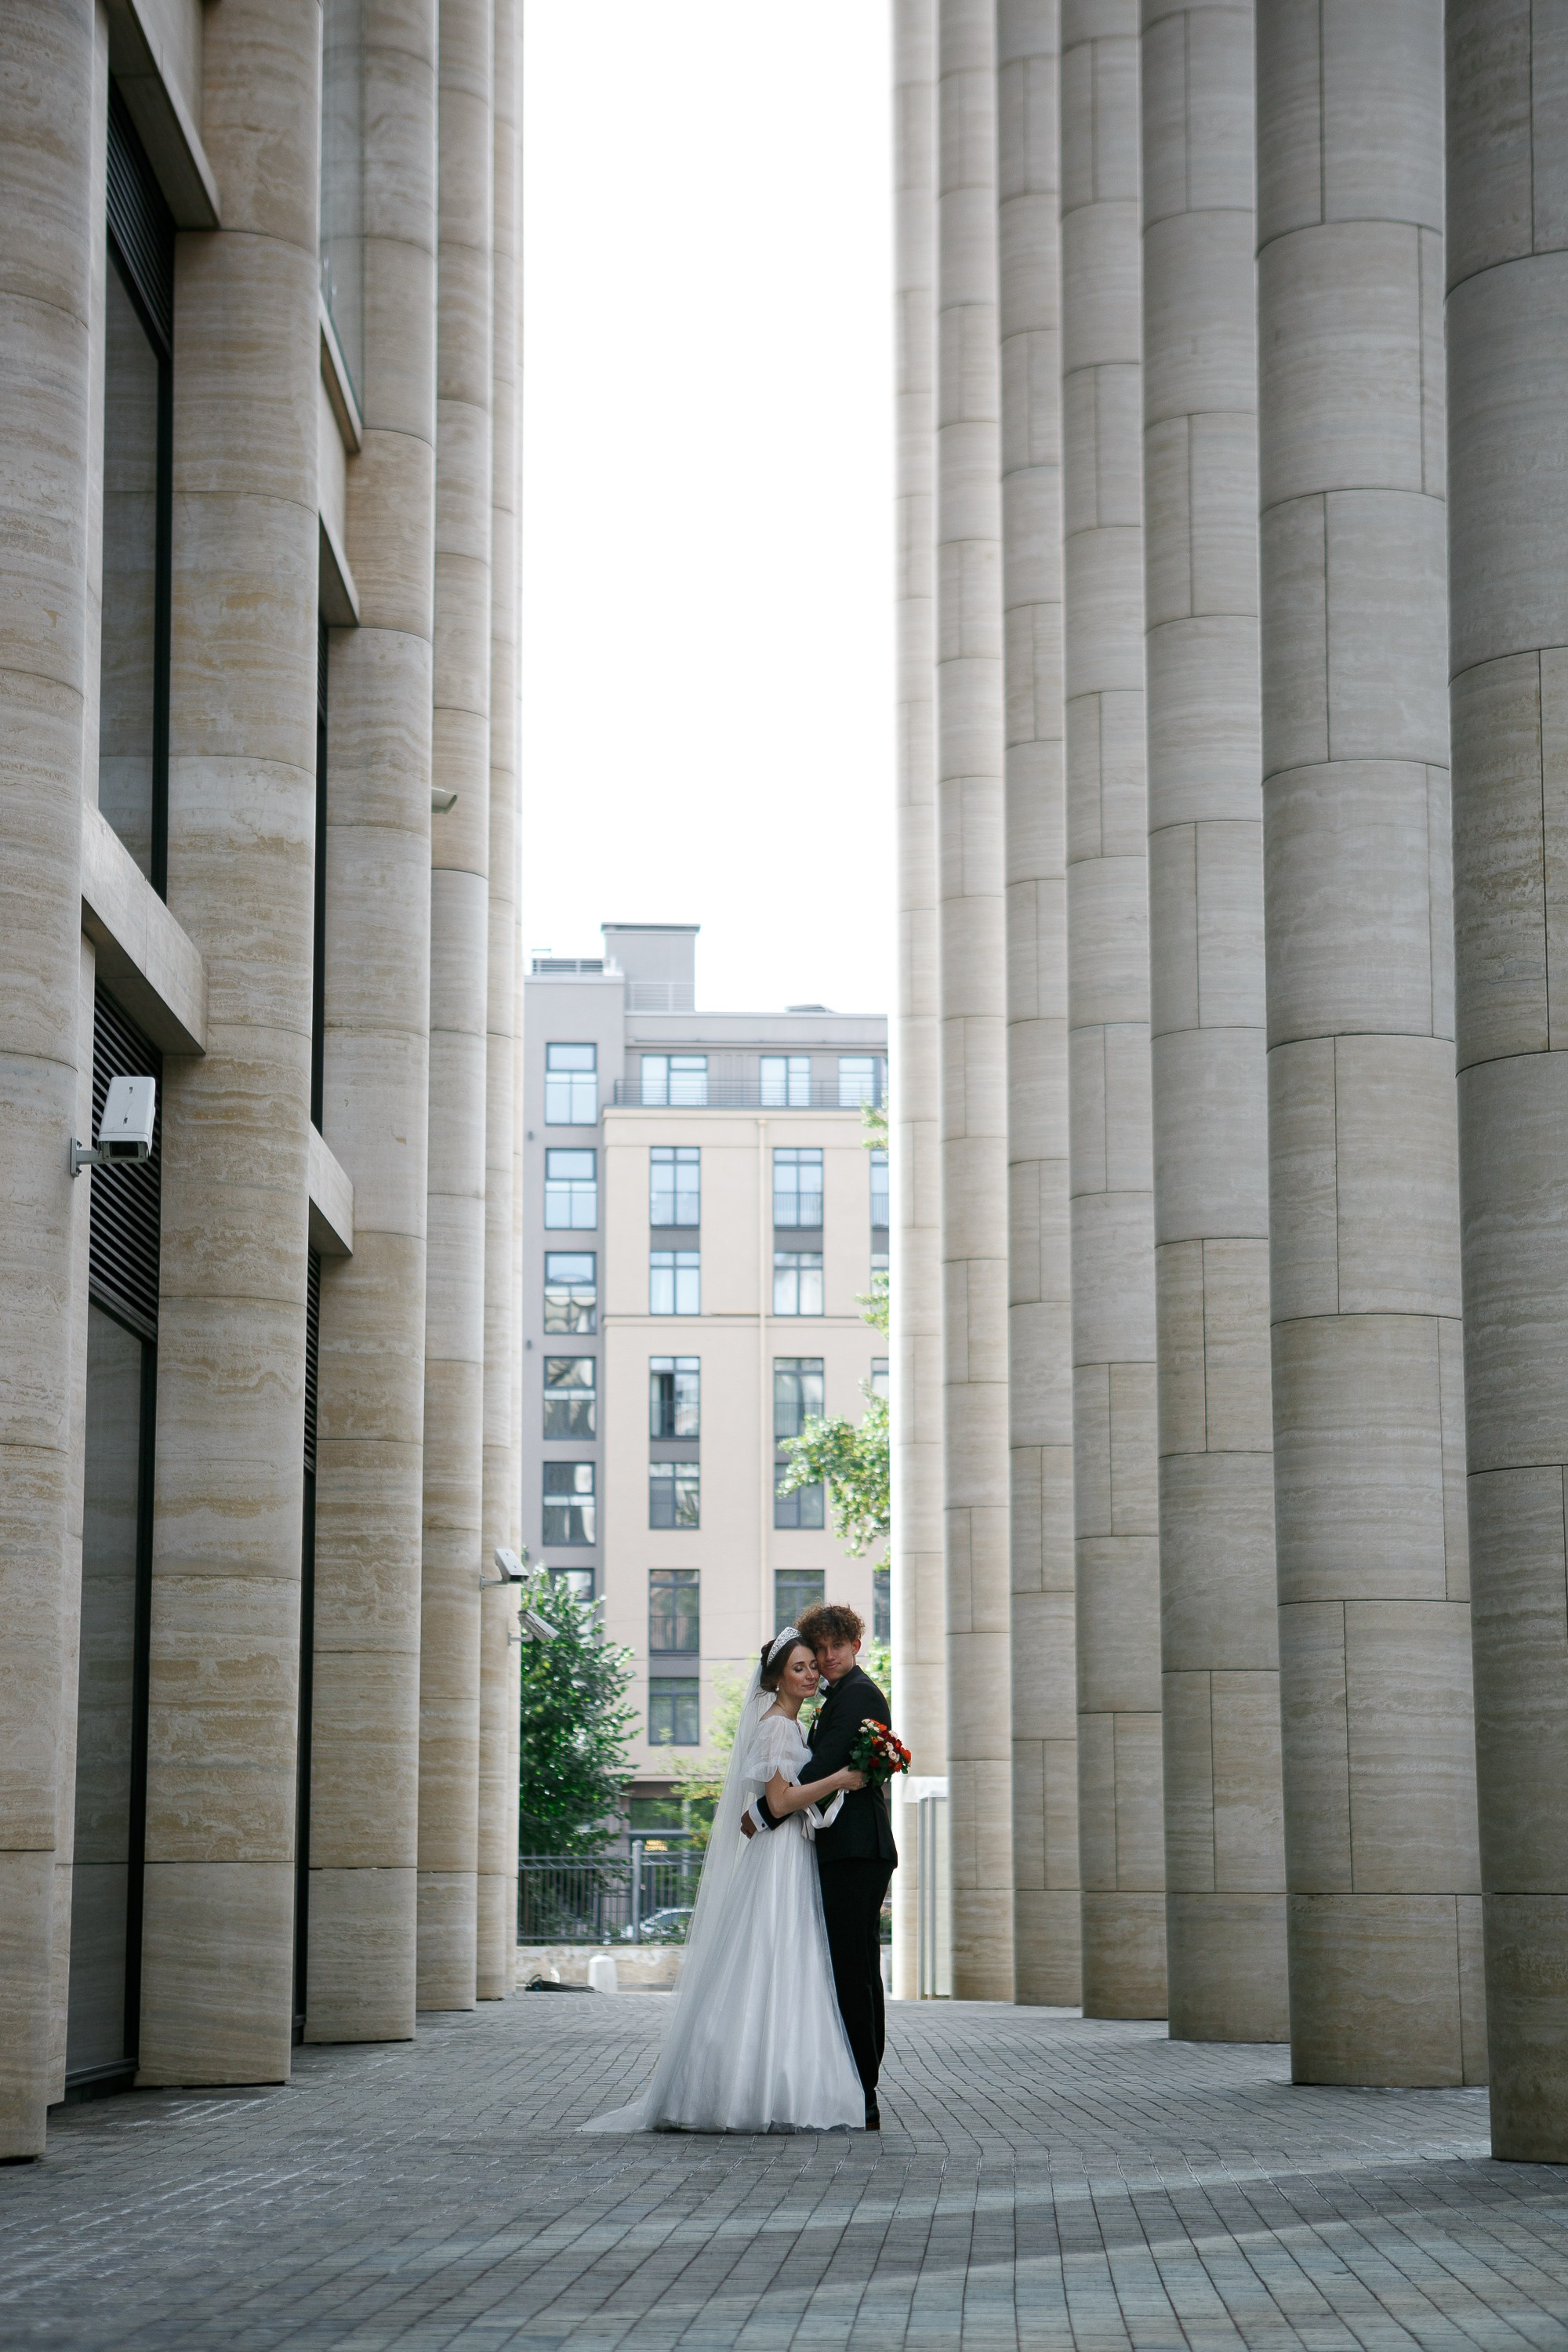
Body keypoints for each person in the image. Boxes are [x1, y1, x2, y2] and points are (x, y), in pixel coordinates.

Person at [583, 1628, 868, 2133]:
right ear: (777, 1676)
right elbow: (780, 1802)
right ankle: (746, 2088)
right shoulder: (778, 1727)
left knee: (784, 1960)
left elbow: (771, 1805)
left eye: (811, 1667)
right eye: (798, 1668)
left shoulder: (790, 1726)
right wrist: (841, 1780)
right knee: (769, 1955)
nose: (810, 1674)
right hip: (779, 1858)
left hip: (787, 1854)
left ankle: (771, 2082)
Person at [742, 1602, 897, 2130]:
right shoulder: (837, 1697)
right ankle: (856, 2083)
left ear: (857, 1645)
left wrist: (764, 1808)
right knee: (850, 1970)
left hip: (856, 1851)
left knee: (853, 1972)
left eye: (837, 1648)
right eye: (818, 1651)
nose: (827, 1659)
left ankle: (863, 2089)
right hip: (843, 1848)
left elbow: (820, 1766)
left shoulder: (858, 1695)